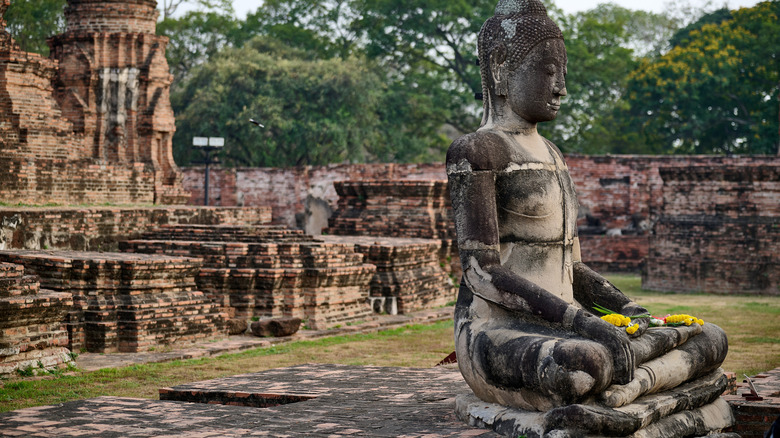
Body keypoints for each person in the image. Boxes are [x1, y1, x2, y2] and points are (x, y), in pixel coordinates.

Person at [447, 0, 728, 411]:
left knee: (709, 337)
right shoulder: (477, 151)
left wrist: (630, 309)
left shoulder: (554, 154)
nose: (562, 87)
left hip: (567, 321)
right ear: (500, 69)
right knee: (585, 363)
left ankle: (626, 395)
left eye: (564, 74)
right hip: (498, 329)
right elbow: (482, 271)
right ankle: (635, 393)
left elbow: (572, 267)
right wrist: (580, 322)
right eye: (548, 72)